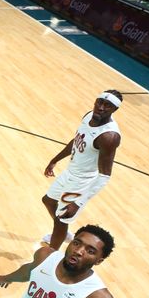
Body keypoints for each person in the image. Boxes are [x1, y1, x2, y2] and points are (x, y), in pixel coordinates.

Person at [41, 90, 122, 251]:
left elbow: (104, 176)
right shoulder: (88, 116)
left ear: (114, 110)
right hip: (70, 172)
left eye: (107, 106)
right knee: (48, 201)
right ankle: (62, 233)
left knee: (62, 218)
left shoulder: (109, 136)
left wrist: (78, 203)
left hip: (82, 182)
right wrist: (55, 160)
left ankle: (51, 256)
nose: (101, 108)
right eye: (99, 102)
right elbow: (77, 139)